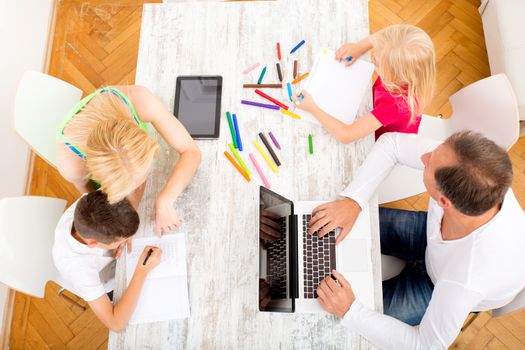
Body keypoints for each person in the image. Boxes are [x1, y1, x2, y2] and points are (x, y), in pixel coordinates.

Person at [308, 131, 525, 348]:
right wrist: (353, 201)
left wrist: (350, 310)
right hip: (431, 239)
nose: (424, 157)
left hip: (437, 288)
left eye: (429, 163)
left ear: (444, 201)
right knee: (333, 225)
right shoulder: (472, 170)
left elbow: (426, 345)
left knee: (331, 311)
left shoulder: (463, 283)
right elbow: (392, 144)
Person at [56, 85, 201, 234]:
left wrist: (165, 201)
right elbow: (97, 204)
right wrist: (122, 226)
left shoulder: (140, 101)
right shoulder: (72, 166)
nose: (138, 188)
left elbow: (190, 151)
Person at [294, 24, 435, 144]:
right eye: (376, 53)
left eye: (378, 63)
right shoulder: (402, 65)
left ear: (396, 76)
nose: (372, 60)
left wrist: (312, 108)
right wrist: (360, 47)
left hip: (382, 143)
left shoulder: (396, 106)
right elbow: (386, 34)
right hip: (372, 108)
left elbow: (346, 135)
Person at [52, 191, 162, 332]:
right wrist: (141, 271)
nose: (124, 240)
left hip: (112, 262)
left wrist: (123, 233)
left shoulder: (91, 202)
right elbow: (116, 324)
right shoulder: (79, 270)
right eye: (120, 240)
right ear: (93, 243)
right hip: (106, 283)